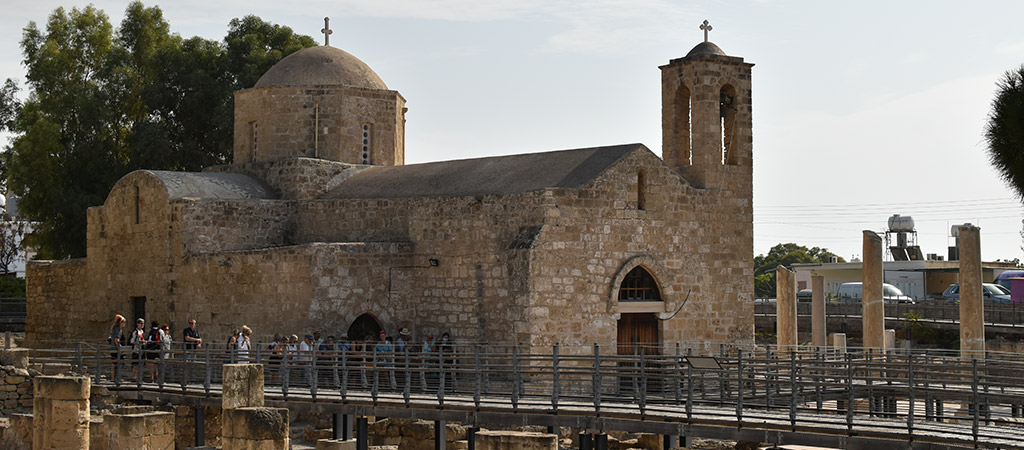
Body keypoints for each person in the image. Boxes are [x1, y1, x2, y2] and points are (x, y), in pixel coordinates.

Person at [108, 315, 126, 380]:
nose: (125, 324)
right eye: (124, 322)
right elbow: (117, 340)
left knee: (114, 363)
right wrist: (120, 347)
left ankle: (113, 378)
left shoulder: (114, 329)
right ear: (121, 323)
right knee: (119, 363)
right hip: (117, 349)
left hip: (113, 348)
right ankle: (117, 378)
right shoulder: (118, 330)